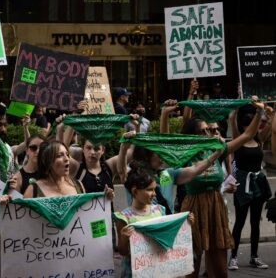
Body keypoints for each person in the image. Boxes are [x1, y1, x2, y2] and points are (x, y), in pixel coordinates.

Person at [176, 96, 264, 278]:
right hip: (193, 207)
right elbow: (167, 141)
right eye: (204, 131)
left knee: (219, 265)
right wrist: (164, 115)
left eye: (209, 130)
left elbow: (247, 135)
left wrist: (260, 111)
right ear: (192, 135)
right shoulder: (185, 154)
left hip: (216, 207)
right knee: (190, 263)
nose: (209, 134)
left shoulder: (217, 150)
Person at [115, 167, 194, 278]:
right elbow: (122, 251)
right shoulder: (124, 218)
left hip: (158, 270)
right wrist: (124, 238)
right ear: (135, 191)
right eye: (149, 190)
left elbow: (168, 236)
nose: (154, 194)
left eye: (154, 189)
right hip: (137, 273)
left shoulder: (159, 210)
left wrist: (186, 223)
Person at [227, 104, 272, 270]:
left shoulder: (259, 138)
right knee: (239, 221)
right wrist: (236, 111)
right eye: (247, 124)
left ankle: (254, 256)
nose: (250, 127)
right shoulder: (240, 138)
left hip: (257, 182)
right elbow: (233, 120)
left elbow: (270, 127)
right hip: (242, 183)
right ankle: (233, 257)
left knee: (255, 222)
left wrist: (269, 111)